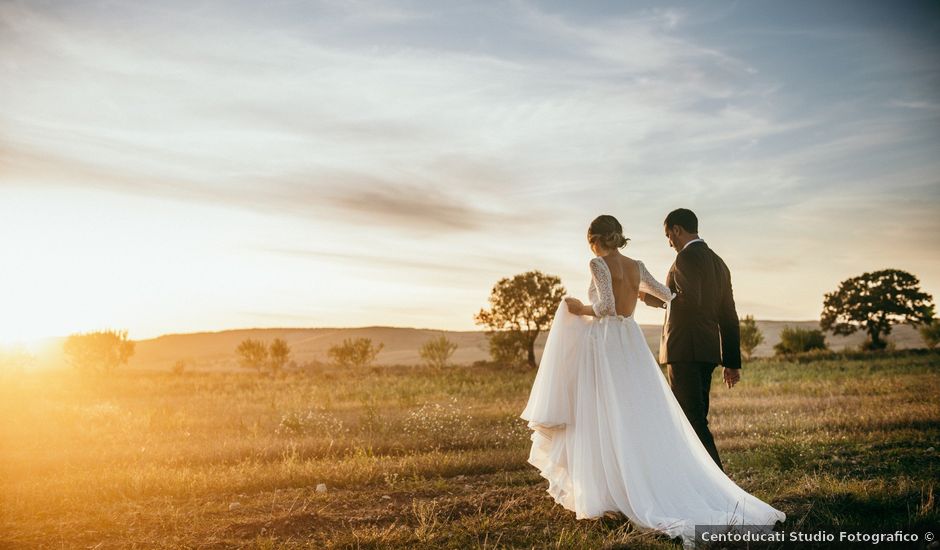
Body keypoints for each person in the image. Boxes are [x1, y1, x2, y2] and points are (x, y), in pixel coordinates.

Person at [519, 214, 784, 549]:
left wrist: (576, 306)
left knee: (610, 412)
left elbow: (605, 307)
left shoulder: (600, 263)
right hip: (635, 342)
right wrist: (638, 293)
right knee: (642, 411)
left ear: (595, 240)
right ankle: (669, 478)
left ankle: (638, 485)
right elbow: (668, 295)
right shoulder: (647, 264)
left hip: (614, 343)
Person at [642, 207, 741, 472]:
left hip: (684, 349)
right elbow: (728, 314)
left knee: (691, 421)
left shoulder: (684, 260)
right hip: (708, 352)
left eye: (668, 235)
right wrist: (732, 361)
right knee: (696, 418)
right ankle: (704, 481)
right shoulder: (719, 263)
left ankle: (720, 487)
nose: (669, 242)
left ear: (677, 229)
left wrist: (660, 297)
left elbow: (689, 301)